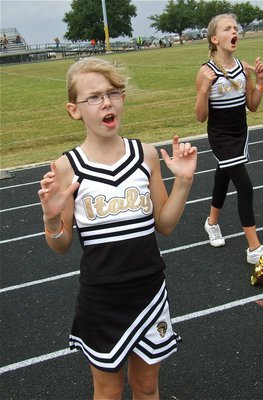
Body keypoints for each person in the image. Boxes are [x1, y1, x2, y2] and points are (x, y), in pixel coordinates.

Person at [38, 57, 197, 399]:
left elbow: (165, 225)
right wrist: (52, 220)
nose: (106, 102)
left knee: (147, 385)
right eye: (93, 97)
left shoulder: (146, 155)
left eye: (113, 93)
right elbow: (62, 244)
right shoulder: (66, 168)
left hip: (149, 293)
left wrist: (183, 183)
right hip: (102, 298)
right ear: (74, 110)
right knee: (108, 391)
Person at [194, 13, 263, 264]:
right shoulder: (206, 72)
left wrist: (259, 81)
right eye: (227, 29)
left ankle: (211, 222)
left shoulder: (243, 68)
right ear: (215, 38)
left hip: (240, 132)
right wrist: (204, 90)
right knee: (245, 187)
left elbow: (252, 106)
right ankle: (254, 248)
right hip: (220, 135)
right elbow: (200, 116)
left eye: (235, 28)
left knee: (223, 175)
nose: (234, 32)